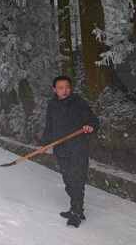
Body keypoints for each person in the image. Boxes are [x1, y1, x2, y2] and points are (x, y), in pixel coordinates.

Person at [41, 75, 99, 228]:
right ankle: (77, 208)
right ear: (54, 89)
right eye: (60, 88)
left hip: (78, 147)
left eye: (67, 87)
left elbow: (92, 120)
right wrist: (45, 143)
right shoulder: (52, 104)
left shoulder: (78, 102)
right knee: (68, 180)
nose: (64, 90)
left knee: (77, 179)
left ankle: (76, 211)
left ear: (70, 88)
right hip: (61, 149)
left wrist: (89, 126)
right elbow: (49, 125)